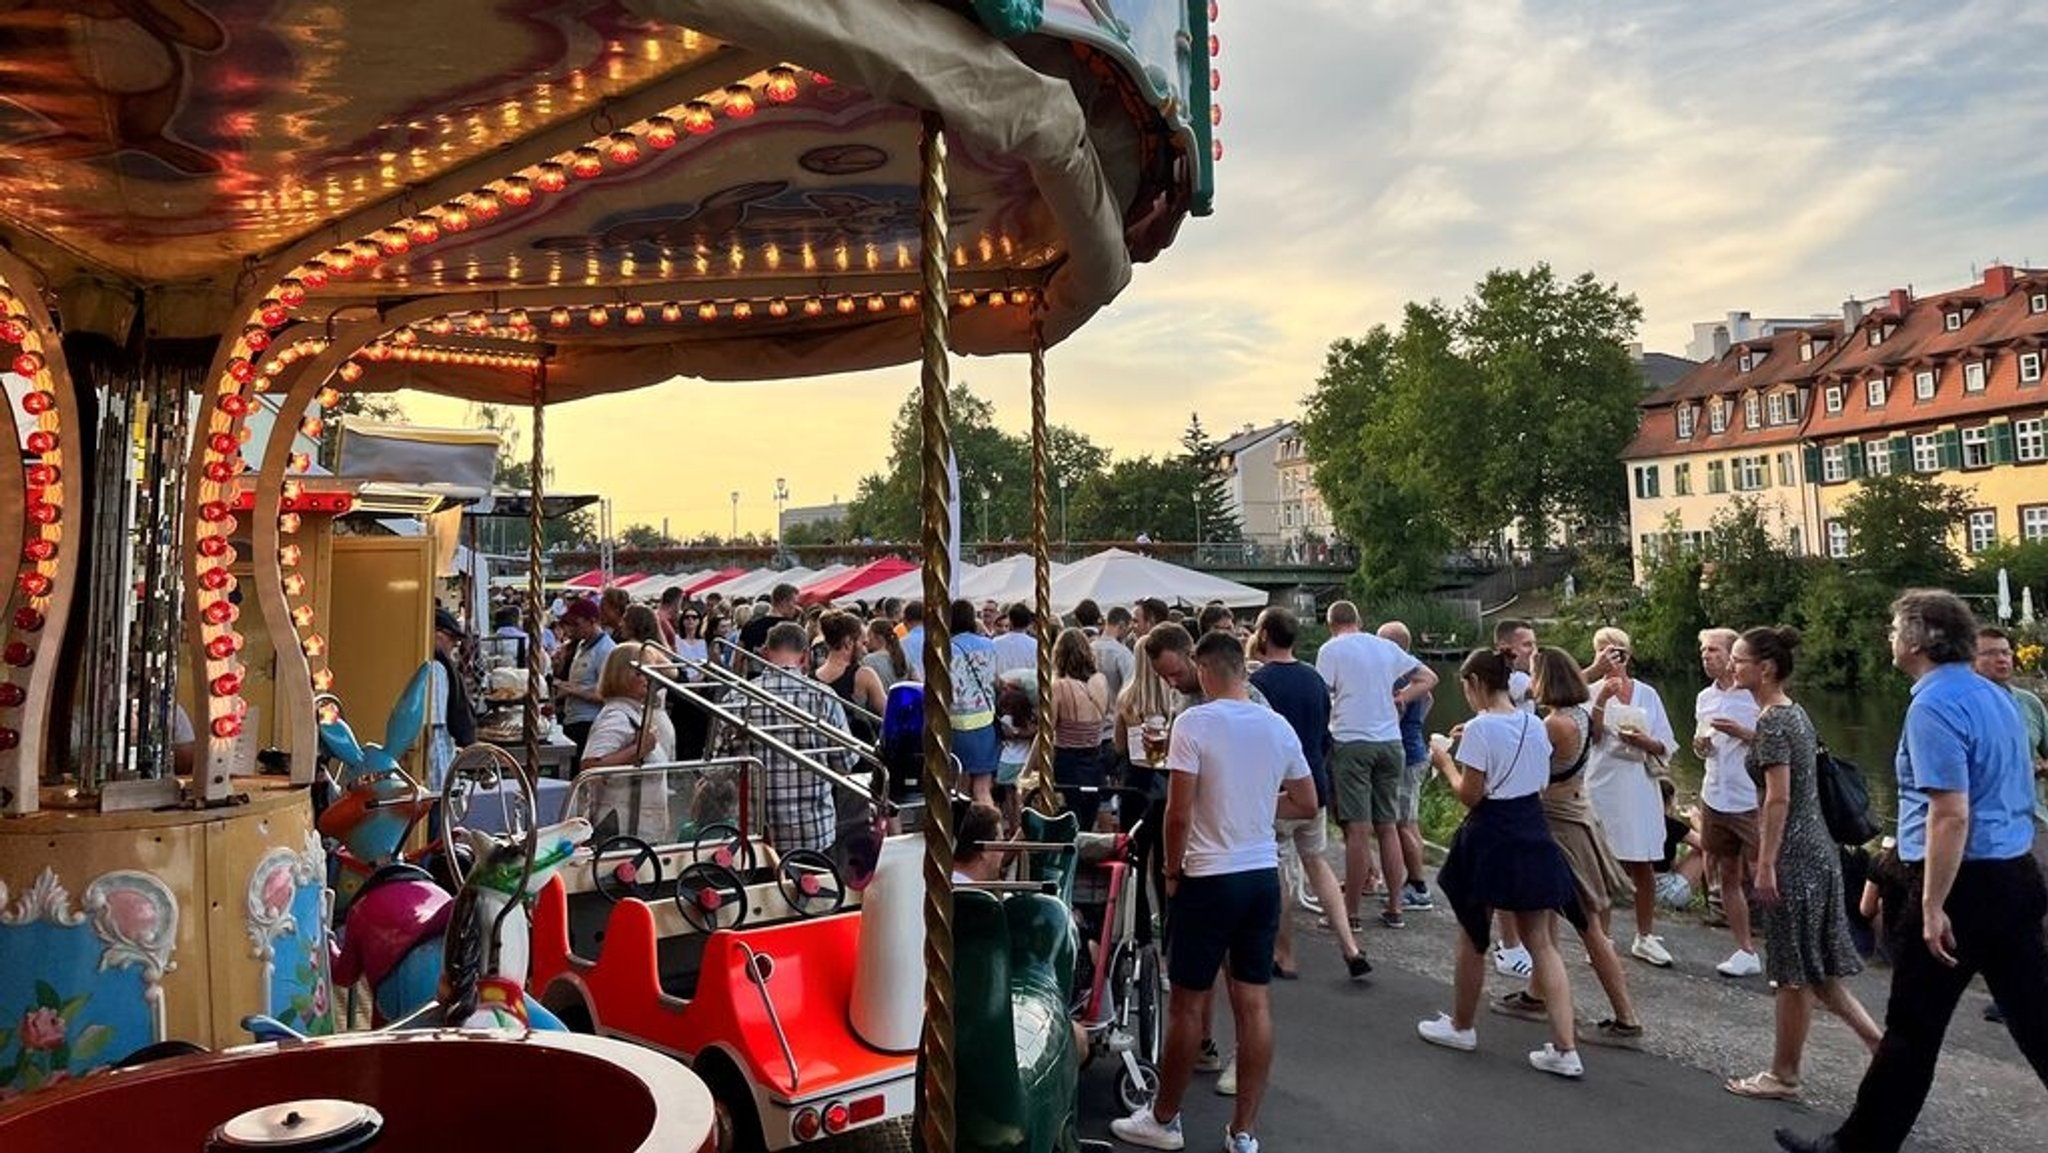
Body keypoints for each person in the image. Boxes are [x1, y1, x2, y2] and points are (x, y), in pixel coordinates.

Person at [1778, 591, 2048, 1153]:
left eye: (1895, 629)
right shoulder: (1996, 695)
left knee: (1912, 1030)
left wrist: (1930, 904)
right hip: (2015, 873)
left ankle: (1855, 1149)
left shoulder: (1933, 705)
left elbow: (1950, 812)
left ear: (1920, 640)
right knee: (2036, 1018)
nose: (1890, 638)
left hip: (1961, 881)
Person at [1110, 632, 1319, 1153]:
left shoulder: (1195, 723)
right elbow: (1307, 802)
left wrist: (1173, 873)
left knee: (1186, 1005)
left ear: (1205, 670)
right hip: (1259, 875)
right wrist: (1251, 807)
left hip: (1209, 875)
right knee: (1253, 1004)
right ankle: (1243, 1131)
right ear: (1241, 670)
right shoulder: (1277, 726)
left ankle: (1164, 1118)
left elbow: (1178, 813)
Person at [1721, 627, 1881, 1102]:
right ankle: (1882, 1047)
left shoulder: (1772, 722)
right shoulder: (1792, 714)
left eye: (1738, 659)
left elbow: (1778, 799)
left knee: (1790, 973)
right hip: (1820, 850)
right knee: (1815, 971)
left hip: (1795, 856)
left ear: (1765, 668)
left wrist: (1765, 864)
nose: (1733, 666)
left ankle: (1784, 1074)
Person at [1418, 649, 1584, 1079]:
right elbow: (1541, 779)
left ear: (1473, 683)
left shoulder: (1479, 729)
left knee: (1474, 933)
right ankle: (1567, 1049)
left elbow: (1470, 794)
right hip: (1532, 829)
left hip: (1491, 834)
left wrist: (1445, 762)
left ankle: (1462, 1025)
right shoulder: (1535, 722)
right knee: (1542, 942)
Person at [1512, 646, 1641, 1048]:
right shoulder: (1579, 715)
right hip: (1576, 811)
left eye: (1534, 674)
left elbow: (1523, 765)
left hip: (1559, 824)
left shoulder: (1554, 725)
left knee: (1585, 924)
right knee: (1545, 911)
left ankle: (1626, 1018)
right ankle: (1536, 994)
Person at [1251, 607, 1371, 980]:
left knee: (1280, 869)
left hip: (1280, 790)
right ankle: (1349, 946)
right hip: (1315, 783)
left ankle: (1284, 955)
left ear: (1265, 635)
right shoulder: (1315, 679)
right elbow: (1324, 737)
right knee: (1317, 863)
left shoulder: (1260, 684)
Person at [1316, 600, 1437, 932]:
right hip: (1391, 744)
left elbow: (1321, 695)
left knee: (1357, 829)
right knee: (1388, 826)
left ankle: (1350, 913)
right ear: (1359, 620)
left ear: (1331, 624)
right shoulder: (1384, 647)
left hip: (1352, 742)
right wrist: (1402, 698)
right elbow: (1429, 678)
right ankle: (1396, 909)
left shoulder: (1331, 650)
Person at [1583, 626, 1680, 968]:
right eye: (1606, 652)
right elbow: (1589, 739)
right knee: (1603, 861)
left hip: (1638, 782)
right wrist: (1600, 701)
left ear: (1629, 654)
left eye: (1619, 651)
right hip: (1604, 783)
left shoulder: (1648, 694)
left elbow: (1665, 743)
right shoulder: (1589, 691)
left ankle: (1645, 935)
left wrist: (1642, 741)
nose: (1614, 658)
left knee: (1643, 861)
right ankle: (1601, 937)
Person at [728, 622, 851, 854]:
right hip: (814, 832)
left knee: (763, 891)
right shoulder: (824, 697)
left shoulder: (737, 696)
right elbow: (844, 764)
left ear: (765, 652)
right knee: (817, 889)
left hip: (758, 837)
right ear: (805, 657)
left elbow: (719, 769)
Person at [1694, 627, 1765, 978]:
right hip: (1715, 793)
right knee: (1728, 873)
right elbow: (1699, 741)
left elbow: (1777, 746)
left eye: (1715, 651)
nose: (1707, 657)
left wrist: (1741, 733)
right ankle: (1745, 949)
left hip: (1750, 796)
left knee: (1766, 874)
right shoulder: (1705, 698)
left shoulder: (1755, 697)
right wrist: (1700, 745)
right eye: (1704, 652)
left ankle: (1786, 950)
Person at [579, 642, 675, 840]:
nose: (649, 679)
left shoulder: (632, 712)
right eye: (640, 672)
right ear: (622, 675)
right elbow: (590, 768)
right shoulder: (617, 715)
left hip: (639, 833)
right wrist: (637, 750)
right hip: (621, 835)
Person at [1378, 621, 1436, 915]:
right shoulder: (1417, 676)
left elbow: (1393, 716)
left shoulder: (1399, 680)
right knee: (1409, 822)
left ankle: (1418, 886)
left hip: (1405, 754)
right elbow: (1429, 701)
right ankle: (1411, 882)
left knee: (1400, 823)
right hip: (1416, 749)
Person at [1050, 627, 1111, 830]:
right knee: (1087, 820)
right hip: (1095, 759)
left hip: (1068, 761)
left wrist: (1027, 770)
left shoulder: (1060, 687)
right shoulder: (1100, 681)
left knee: (1068, 823)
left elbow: (1047, 732)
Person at [947, 599, 1002, 805]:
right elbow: (996, 680)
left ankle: (961, 831)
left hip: (957, 721)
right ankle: (992, 833)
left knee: (957, 787)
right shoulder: (989, 645)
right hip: (985, 720)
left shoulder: (947, 648)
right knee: (982, 788)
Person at [816, 610, 887, 744]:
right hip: (860, 755)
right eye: (863, 643)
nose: (865, 650)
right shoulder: (864, 675)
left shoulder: (811, 677)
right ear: (848, 642)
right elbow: (888, 714)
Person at [556, 598, 614, 757]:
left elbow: (608, 694)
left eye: (576, 624)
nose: (572, 629)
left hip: (590, 722)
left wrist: (573, 691)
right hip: (573, 719)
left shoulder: (606, 650)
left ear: (593, 621)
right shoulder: (581, 645)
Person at [426, 607, 476, 790]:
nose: (453, 645)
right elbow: (434, 730)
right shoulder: (437, 668)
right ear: (436, 633)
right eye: (452, 639)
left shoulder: (438, 667)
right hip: (434, 774)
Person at [738, 582, 800, 655]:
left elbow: (738, 659)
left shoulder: (750, 625)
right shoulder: (793, 630)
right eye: (795, 603)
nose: (796, 607)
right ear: (784, 602)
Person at [1495, 618, 1537, 713]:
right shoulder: (1513, 677)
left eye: (1535, 645)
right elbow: (1545, 692)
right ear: (1503, 647)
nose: (1534, 651)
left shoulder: (1490, 673)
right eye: (1527, 644)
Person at [993, 603, 1039, 677]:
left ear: (1010, 621)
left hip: (1002, 685)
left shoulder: (995, 643)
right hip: (1027, 686)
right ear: (1028, 623)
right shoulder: (1035, 645)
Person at [863, 616, 910, 688]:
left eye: (868, 635)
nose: (866, 640)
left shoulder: (868, 661)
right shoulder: (904, 657)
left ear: (878, 637)